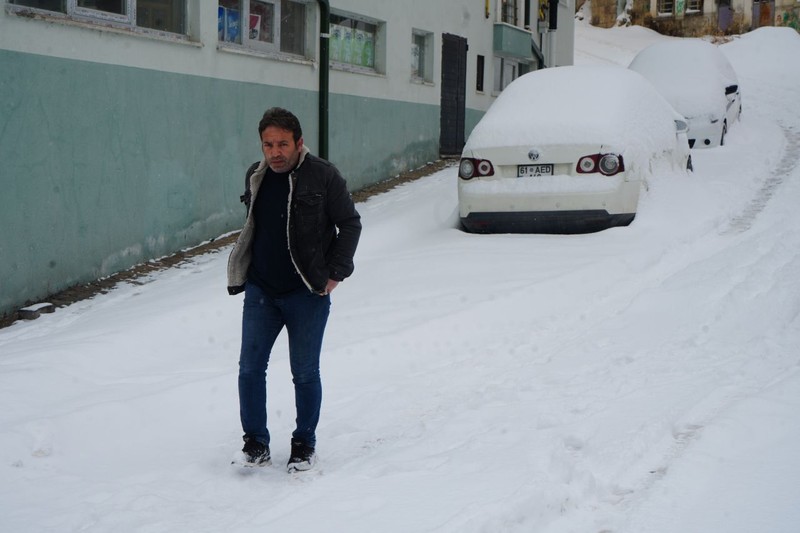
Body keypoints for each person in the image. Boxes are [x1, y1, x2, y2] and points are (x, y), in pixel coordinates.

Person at [227, 107, 361, 472]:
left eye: (282, 144)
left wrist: (334, 274)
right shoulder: (256, 176)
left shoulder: (323, 176)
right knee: (250, 369)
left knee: (304, 372)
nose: (275, 152)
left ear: (299, 143)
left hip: (307, 293)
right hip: (262, 292)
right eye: (268, 144)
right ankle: (256, 444)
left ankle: (304, 443)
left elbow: (350, 224)